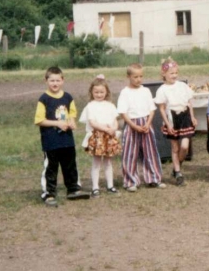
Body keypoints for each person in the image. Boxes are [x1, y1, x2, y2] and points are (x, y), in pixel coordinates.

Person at [35, 66, 89, 206]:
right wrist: (57, 123)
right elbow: (39, 120)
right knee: (51, 167)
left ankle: (73, 189)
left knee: (70, 165)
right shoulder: (44, 99)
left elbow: (72, 114)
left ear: (63, 80)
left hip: (67, 140)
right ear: (46, 81)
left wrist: (71, 122)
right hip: (51, 141)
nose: (55, 83)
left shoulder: (67, 97)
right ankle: (49, 193)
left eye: (58, 80)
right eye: (52, 80)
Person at [117, 63, 166, 192]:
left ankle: (154, 178)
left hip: (145, 123)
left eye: (141, 76)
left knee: (150, 152)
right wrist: (133, 126)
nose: (139, 79)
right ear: (129, 77)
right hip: (132, 124)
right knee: (130, 153)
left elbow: (152, 109)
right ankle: (130, 181)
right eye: (135, 77)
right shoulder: (125, 92)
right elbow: (123, 113)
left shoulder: (146, 90)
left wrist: (148, 123)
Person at [154, 57, 197, 186]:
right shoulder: (162, 90)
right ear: (164, 74)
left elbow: (189, 103)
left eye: (176, 73)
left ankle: (177, 164)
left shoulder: (182, 86)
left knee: (184, 146)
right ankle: (178, 173)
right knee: (175, 147)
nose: (174, 75)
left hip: (185, 117)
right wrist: (167, 123)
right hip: (172, 118)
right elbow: (161, 108)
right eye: (171, 73)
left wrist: (193, 117)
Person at [79, 75, 121, 197]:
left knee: (108, 162)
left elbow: (115, 120)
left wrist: (113, 128)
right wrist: (105, 129)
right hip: (98, 136)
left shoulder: (110, 105)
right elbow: (92, 122)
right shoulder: (90, 106)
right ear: (92, 92)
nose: (99, 94)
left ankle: (110, 185)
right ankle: (95, 187)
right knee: (96, 162)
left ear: (106, 92)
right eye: (96, 92)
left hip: (109, 136)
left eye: (101, 92)